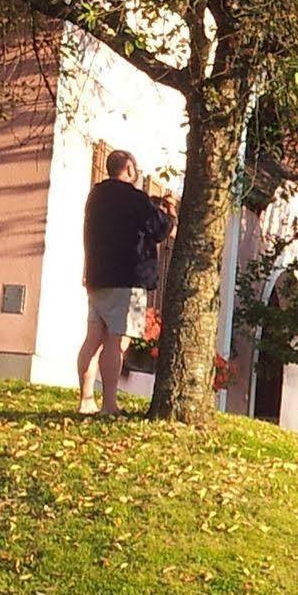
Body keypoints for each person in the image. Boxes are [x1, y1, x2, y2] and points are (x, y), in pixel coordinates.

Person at [77, 150, 172, 418]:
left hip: (97, 276)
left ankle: (85, 399)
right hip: (127, 278)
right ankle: (109, 404)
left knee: (92, 340)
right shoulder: (134, 198)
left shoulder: (95, 196)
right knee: (117, 342)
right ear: (128, 168)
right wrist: (167, 213)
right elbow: (160, 229)